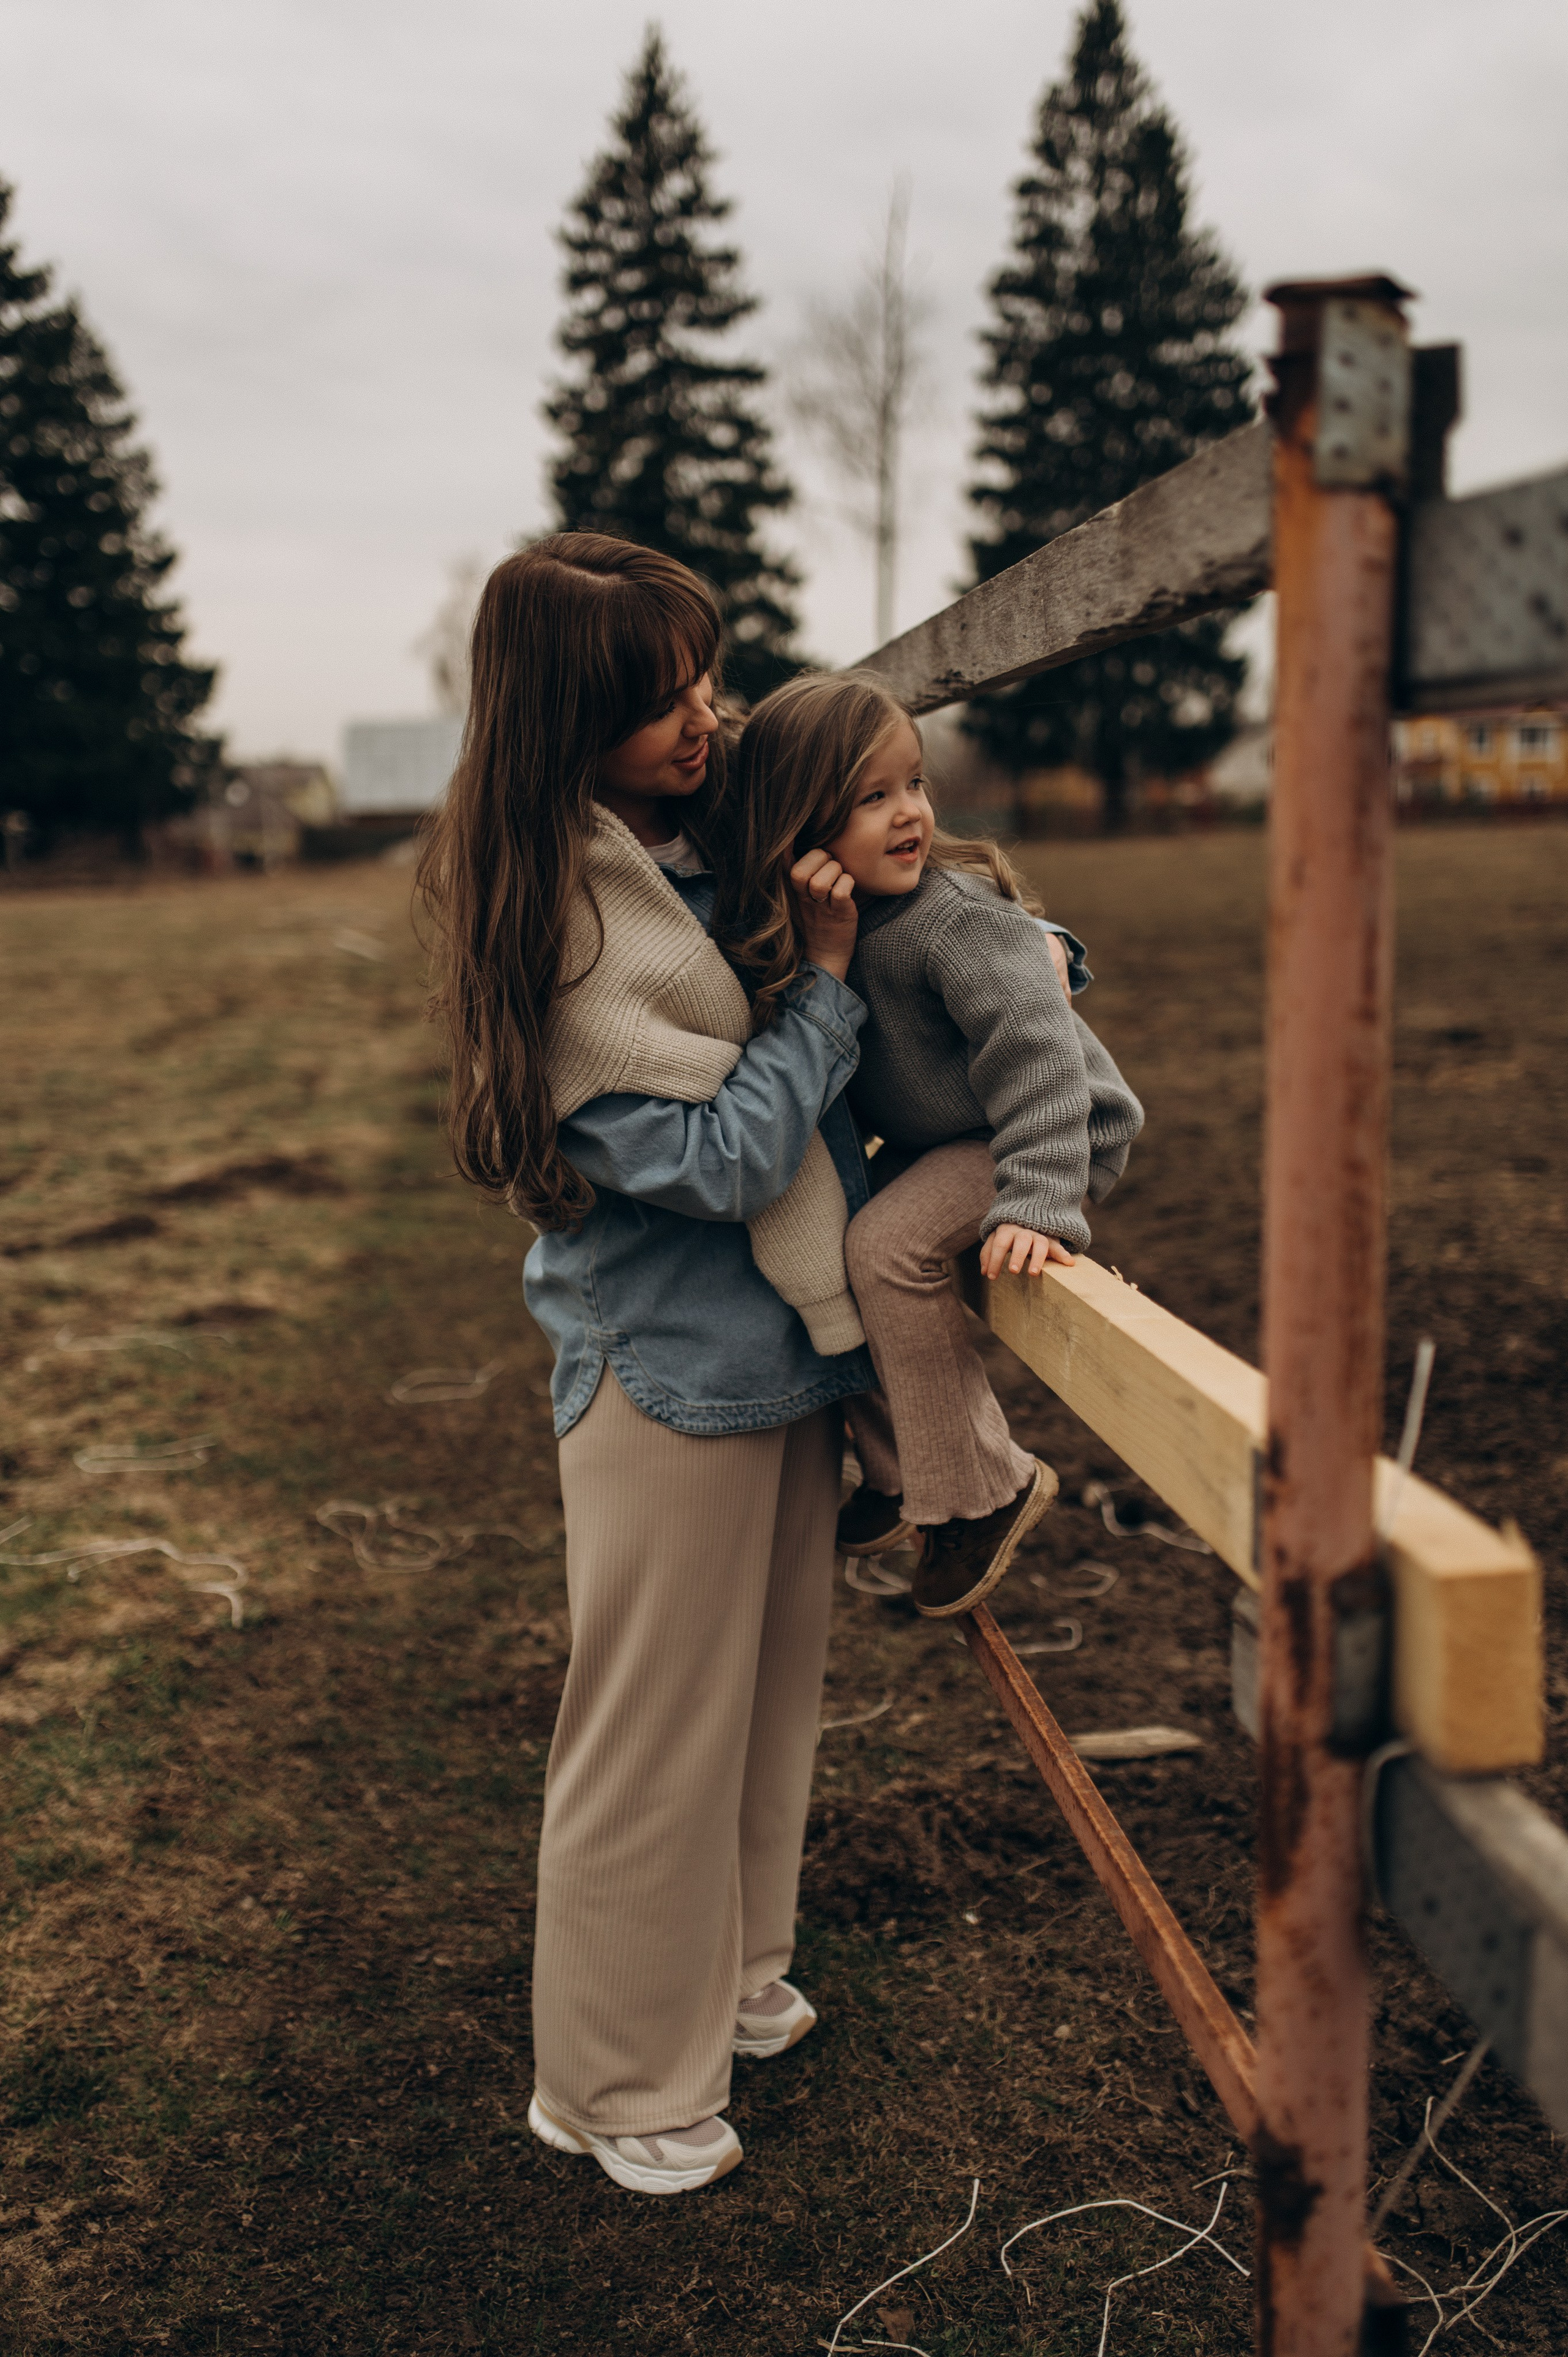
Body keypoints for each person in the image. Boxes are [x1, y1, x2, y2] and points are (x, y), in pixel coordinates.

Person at [416, 537, 874, 2198]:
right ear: (563, 726)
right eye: (658, 699)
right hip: (665, 1376)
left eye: (702, 677)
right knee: (648, 1738)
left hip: (780, 1350)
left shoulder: (690, 845)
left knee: (763, 1707)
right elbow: (739, 1155)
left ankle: (732, 1976)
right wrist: (819, 992)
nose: (703, 718)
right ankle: (606, 2081)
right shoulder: (569, 941)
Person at [715, 669, 1144, 1620]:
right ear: (799, 822)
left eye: (914, 783)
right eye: (873, 797)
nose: (910, 813)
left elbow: (1039, 1053)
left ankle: (980, 1493)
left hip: (1037, 1132)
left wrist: (1038, 1196)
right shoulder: (833, 924)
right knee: (834, 1237)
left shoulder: (949, 920)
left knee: (886, 1247)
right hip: (949, 1134)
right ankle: (906, 1466)